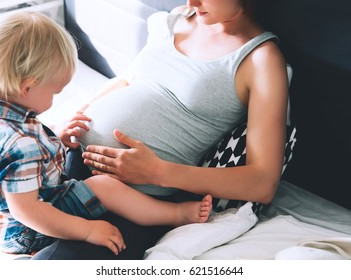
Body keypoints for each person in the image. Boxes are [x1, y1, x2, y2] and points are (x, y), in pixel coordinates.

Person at [32, 0, 290, 260]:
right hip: (71, 159)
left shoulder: (261, 61)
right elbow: (127, 80)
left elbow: (262, 182)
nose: (191, 2)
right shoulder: (176, 19)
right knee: (15, 216)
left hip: (136, 204)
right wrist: (71, 121)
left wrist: (158, 172)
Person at [0, 11, 213, 256]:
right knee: (104, 187)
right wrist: (86, 230)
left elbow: (9, 159)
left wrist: (55, 135)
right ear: (27, 87)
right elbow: (28, 211)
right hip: (26, 231)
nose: (54, 98)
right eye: (54, 92)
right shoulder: (20, 145)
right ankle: (176, 214)